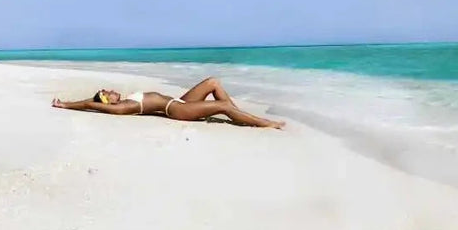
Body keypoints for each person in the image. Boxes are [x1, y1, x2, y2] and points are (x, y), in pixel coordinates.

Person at [51, 76, 285, 129]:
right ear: (107, 101)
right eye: (107, 92)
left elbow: (95, 102)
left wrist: (68, 103)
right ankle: (265, 123)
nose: (112, 91)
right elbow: (92, 105)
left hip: (178, 101)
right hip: (178, 110)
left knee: (213, 82)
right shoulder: (124, 107)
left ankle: (239, 114)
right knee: (222, 107)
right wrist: (66, 105)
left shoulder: (123, 102)